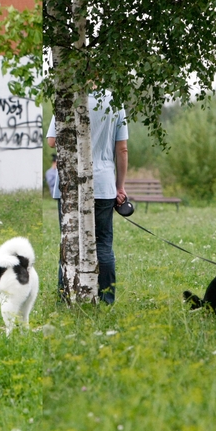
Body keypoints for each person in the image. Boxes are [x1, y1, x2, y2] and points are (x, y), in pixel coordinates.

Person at [47, 91, 128, 304]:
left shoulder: (66, 98)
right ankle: (106, 299)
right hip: (103, 184)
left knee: (69, 240)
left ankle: (66, 296)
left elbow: (52, 141)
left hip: (70, 184)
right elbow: (122, 149)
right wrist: (119, 187)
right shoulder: (115, 101)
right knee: (103, 243)